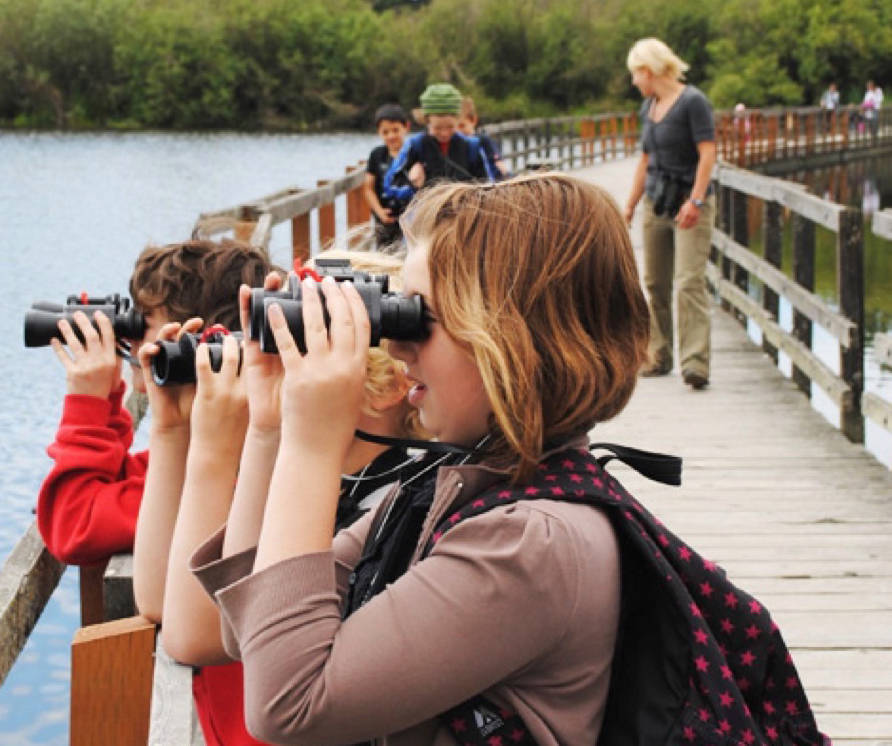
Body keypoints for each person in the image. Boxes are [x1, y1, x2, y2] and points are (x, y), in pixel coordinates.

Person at [188, 175, 829, 745]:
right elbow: (248, 631)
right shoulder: (456, 489)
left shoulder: (528, 543)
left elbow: (286, 707)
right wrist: (270, 425)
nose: (398, 344)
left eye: (420, 319)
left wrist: (309, 441)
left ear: (513, 340)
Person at [131, 250, 422, 743]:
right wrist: (171, 429)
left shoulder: (379, 504)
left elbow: (192, 636)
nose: (269, 363)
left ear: (388, 385)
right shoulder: (300, 479)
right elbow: (159, 601)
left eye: (300, 342)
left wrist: (212, 450)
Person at [35, 238, 272, 566]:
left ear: (191, 337)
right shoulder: (223, 441)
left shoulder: (224, 471)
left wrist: (86, 404)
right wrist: (107, 397)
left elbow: (74, 524)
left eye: (143, 321)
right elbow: (117, 480)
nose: (129, 339)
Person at [622, 37, 717, 390]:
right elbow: (645, 161)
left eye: (636, 74)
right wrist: (630, 205)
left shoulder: (693, 102)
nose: (634, 82)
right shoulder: (649, 108)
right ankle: (658, 356)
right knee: (654, 282)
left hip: (690, 201)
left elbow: (707, 154)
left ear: (649, 70)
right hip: (656, 203)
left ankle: (695, 364)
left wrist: (696, 201)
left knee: (689, 281)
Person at [381, 83, 497, 215]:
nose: (444, 133)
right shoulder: (415, 145)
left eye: (450, 127)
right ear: (426, 121)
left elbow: (489, 186)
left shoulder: (472, 146)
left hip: (464, 217)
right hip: (424, 217)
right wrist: (413, 185)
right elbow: (389, 187)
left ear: (458, 119)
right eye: (437, 128)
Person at [362, 104, 412, 249]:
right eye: (385, 132)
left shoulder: (414, 153)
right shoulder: (377, 155)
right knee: (384, 257)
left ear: (406, 127)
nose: (391, 136)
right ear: (379, 132)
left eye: (396, 130)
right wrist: (380, 212)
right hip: (385, 219)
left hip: (410, 219)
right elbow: (368, 188)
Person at [457, 95, 509, 177]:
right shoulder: (455, 144)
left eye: (462, 126)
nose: (458, 131)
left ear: (473, 120)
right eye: (454, 128)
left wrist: (508, 177)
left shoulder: (483, 141)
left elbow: (500, 165)